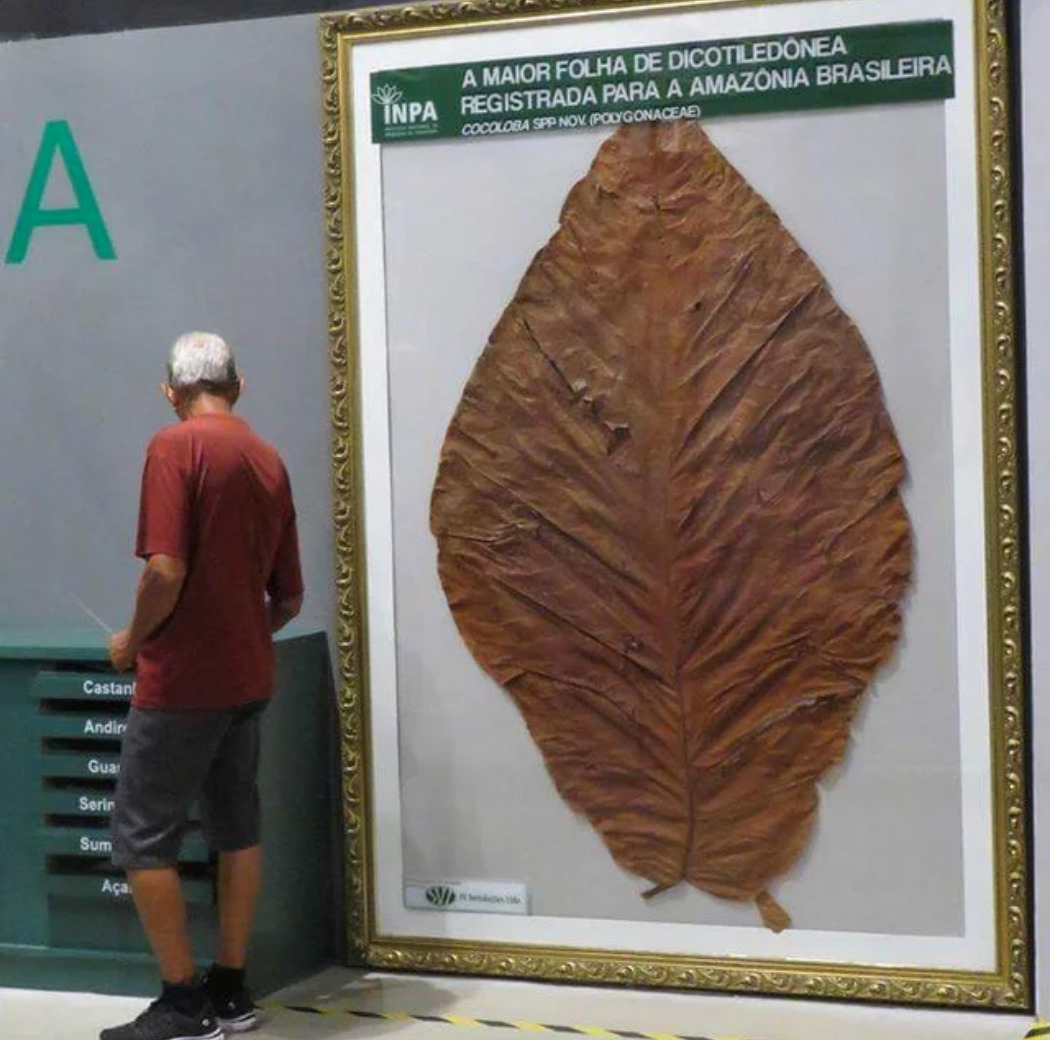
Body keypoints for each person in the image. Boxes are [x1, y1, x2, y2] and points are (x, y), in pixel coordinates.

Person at [102, 332, 304, 1040]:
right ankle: (231, 991)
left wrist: (132, 642)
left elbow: (164, 569)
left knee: (141, 839)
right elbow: (288, 599)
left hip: (180, 683)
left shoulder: (173, 446)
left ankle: (182, 1002)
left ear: (171, 392)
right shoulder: (270, 460)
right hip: (248, 679)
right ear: (238, 385)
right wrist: (238, 637)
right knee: (236, 827)